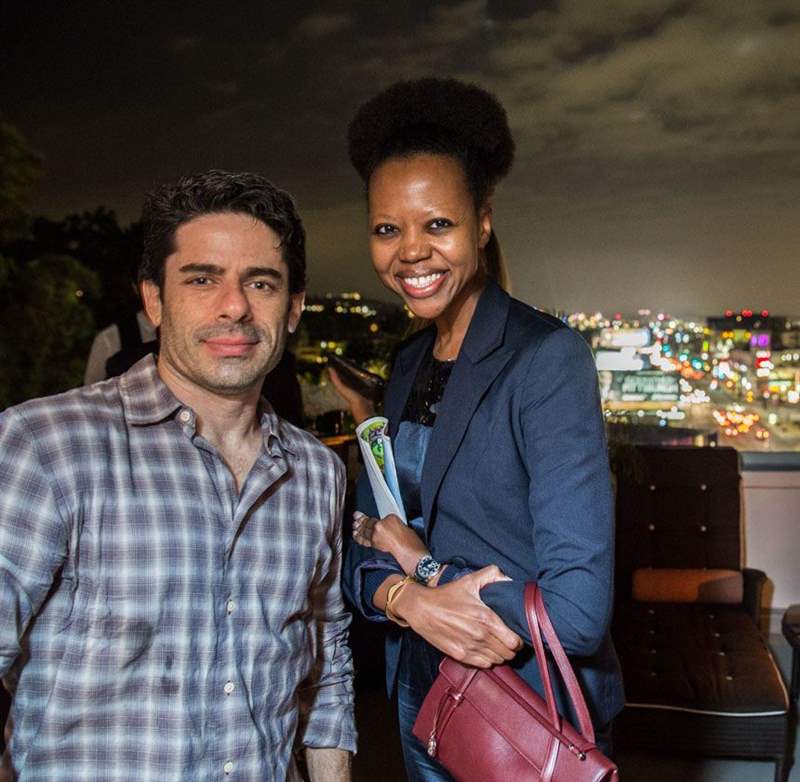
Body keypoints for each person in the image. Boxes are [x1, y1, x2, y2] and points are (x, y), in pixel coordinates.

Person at [0, 170, 355, 781]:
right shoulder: (47, 446)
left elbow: (326, 670)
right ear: (154, 300)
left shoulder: (317, 474)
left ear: (294, 307)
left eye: (261, 283)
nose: (234, 306)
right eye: (202, 279)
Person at [338, 79, 624, 781]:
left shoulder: (546, 359)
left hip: (524, 710)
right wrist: (407, 601)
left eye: (437, 224)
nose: (410, 251)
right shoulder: (408, 363)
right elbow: (364, 549)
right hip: (420, 691)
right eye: (387, 229)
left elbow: (576, 613)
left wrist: (424, 572)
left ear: (482, 224)